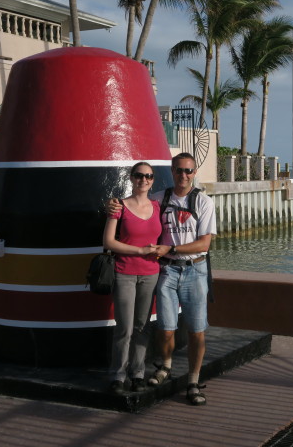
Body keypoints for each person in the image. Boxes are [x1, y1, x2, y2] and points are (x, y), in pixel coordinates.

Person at [107, 152, 216, 405]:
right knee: (165, 329)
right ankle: (164, 367)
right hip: (166, 270)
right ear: (171, 171)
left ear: (194, 172)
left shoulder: (203, 202)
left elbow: (205, 243)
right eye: (179, 170)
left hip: (194, 270)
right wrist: (111, 205)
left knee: (196, 330)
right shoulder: (160, 199)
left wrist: (171, 249)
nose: (184, 175)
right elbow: (131, 205)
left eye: (188, 171)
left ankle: (193, 380)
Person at [103, 162, 161, 394]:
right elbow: (108, 242)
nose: (143, 180)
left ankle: (137, 373)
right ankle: (117, 374)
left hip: (151, 274)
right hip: (125, 272)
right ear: (131, 177)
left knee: (142, 326)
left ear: (153, 180)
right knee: (124, 328)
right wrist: (139, 251)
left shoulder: (158, 207)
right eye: (139, 175)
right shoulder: (119, 206)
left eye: (148, 176)